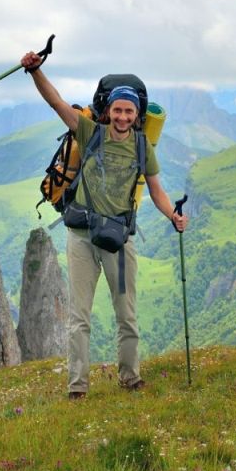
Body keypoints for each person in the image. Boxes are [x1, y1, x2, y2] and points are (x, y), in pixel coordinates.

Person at [21, 51, 188, 400]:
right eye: (118, 110)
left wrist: (173, 215)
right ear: (108, 111)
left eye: (129, 111)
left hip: (119, 240)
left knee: (126, 315)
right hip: (81, 236)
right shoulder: (89, 132)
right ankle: (77, 388)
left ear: (137, 115)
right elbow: (57, 104)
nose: (123, 116)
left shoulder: (144, 147)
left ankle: (131, 378)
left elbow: (156, 191)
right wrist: (36, 71)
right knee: (79, 317)